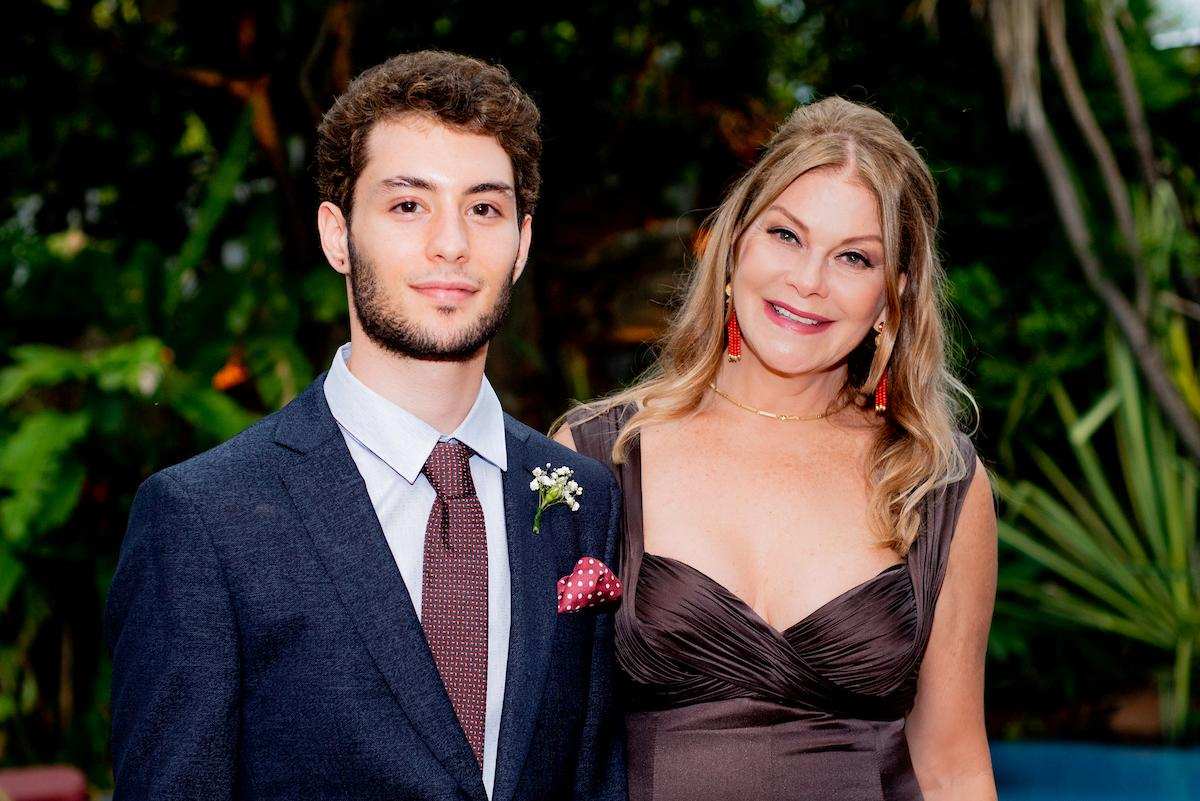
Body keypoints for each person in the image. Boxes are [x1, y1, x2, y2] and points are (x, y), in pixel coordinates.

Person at [105, 50, 626, 801]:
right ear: (336, 235)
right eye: (408, 205)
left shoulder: (582, 498)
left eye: (484, 207)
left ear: (523, 243)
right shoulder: (203, 519)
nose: (451, 243)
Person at [554, 97, 998, 800]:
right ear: (735, 244)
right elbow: (543, 741)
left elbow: (952, 768)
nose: (809, 281)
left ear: (892, 299)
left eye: (854, 257)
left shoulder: (936, 484)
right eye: (787, 236)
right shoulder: (597, 456)